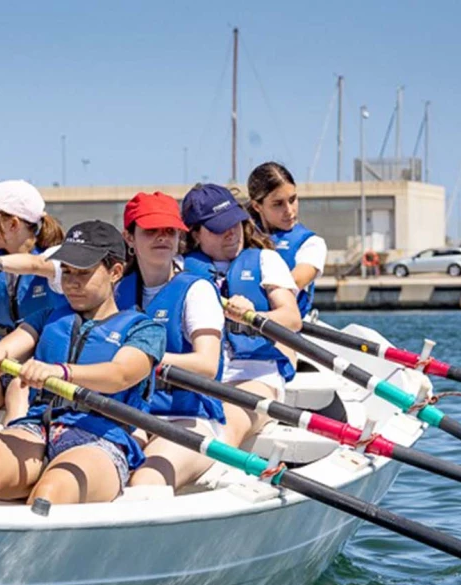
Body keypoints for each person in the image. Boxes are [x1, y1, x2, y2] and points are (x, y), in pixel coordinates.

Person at [0, 220, 165, 506]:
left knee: (53, 488)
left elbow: (120, 375)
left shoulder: (144, 329)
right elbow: (9, 348)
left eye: (83, 273)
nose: (71, 283)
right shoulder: (48, 317)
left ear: (115, 272)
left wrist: (61, 371)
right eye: (67, 272)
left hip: (103, 438)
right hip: (40, 428)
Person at [115, 191, 226, 490]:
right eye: (151, 231)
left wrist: (142, 360)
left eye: (170, 231)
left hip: (189, 418)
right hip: (132, 415)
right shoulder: (116, 292)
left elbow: (206, 365)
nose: (163, 238)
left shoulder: (197, 291)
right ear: (129, 237)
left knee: (145, 481)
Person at [181, 183, 302, 446]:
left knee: (226, 424)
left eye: (234, 223)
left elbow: (292, 319)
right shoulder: (178, 269)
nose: (232, 233)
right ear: (195, 234)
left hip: (255, 374)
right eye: (219, 228)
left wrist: (252, 315)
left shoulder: (265, 260)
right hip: (197, 377)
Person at [0, 180, 65, 423]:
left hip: (39, 365)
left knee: (17, 391)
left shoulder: (56, 257)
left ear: (12, 224)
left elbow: (37, 265)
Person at [246, 162, 327, 318]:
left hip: (285, 329)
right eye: (278, 204)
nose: (289, 211)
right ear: (257, 206)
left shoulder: (312, 244)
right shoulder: (239, 237)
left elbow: (293, 283)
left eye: (292, 200)